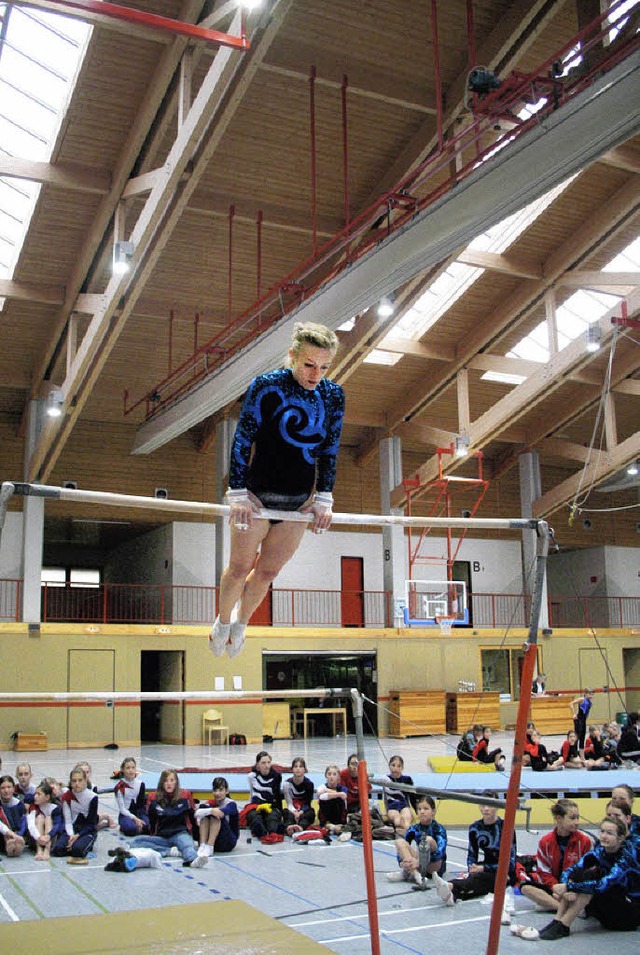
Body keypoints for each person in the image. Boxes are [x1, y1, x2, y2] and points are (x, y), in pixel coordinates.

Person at [209, 322, 345, 658]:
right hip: (256, 497)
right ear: (292, 356)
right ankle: (222, 621)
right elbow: (244, 437)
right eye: (309, 365)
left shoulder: (333, 396)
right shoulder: (267, 386)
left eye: (324, 367)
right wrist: (238, 492)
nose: (316, 374)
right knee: (240, 568)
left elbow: (329, 449)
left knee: (268, 572)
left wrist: (324, 498)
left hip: (298, 503)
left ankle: (241, 624)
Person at [532, 816, 640, 939]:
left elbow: (602, 885)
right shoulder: (599, 851)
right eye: (602, 831)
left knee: (591, 882)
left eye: (609, 833)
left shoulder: (626, 858)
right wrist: (566, 885)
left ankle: (564, 924)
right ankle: (557, 920)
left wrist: (569, 886)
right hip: (605, 908)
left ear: (621, 838)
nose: (603, 836)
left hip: (629, 912)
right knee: (580, 873)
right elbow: (572, 870)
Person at [432, 800, 517, 907]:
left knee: (482, 878)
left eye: (490, 805)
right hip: (485, 867)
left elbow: (511, 864)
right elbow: (472, 854)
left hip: (505, 872)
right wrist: (471, 867)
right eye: (483, 805)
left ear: (497, 807)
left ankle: (451, 885)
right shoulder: (475, 828)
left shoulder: (506, 827)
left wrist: (483, 868)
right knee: (477, 879)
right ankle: (452, 895)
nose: (486, 808)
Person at [515, 799, 592, 915]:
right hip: (555, 889)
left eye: (578, 818)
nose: (576, 822)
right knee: (525, 887)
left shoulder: (585, 841)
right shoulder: (545, 842)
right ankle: (563, 907)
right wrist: (555, 888)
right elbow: (544, 873)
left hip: (574, 888)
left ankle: (551, 904)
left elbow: (588, 872)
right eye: (572, 818)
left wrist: (569, 888)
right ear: (559, 819)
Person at [130, 769, 199, 866]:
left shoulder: (185, 795)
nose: (169, 784)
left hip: (180, 834)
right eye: (166, 781)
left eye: (171, 780)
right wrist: (153, 835)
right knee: (134, 842)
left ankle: (191, 860)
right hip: (162, 837)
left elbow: (192, 816)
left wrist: (196, 836)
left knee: (188, 845)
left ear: (176, 782)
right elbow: (152, 819)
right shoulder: (153, 797)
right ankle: (169, 851)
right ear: (162, 783)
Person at [387, 794, 447, 886]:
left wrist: (418, 862)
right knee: (399, 841)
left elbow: (440, 852)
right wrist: (402, 862)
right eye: (419, 809)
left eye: (426, 809)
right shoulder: (414, 828)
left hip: (434, 866)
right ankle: (414, 874)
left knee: (428, 840)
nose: (422, 812)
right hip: (418, 862)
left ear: (433, 811)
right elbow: (403, 848)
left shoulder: (439, 828)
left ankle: (407, 873)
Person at [51, 766, 99, 863]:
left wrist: (78, 835)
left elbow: (91, 823)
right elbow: (68, 821)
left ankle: (86, 842)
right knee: (57, 850)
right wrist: (71, 836)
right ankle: (74, 844)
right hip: (72, 828)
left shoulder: (93, 797)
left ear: (85, 780)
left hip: (86, 830)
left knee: (77, 850)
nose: (77, 784)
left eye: (80, 780)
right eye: (74, 781)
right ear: (71, 782)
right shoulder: (66, 796)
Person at [193, 776, 238, 862]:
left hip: (228, 842)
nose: (217, 793)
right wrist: (209, 810)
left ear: (227, 791)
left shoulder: (231, 804)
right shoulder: (211, 802)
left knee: (215, 815)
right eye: (215, 790)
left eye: (220, 790)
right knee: (206, 812)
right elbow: (196, 814)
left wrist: (210, 811)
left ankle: (209, 847)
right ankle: (203, 845)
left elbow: (219, 813)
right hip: (216, 839)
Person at [245, 751, 284, 841]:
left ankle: (274, 830)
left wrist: (280, 812)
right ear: (258, 765)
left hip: (270, 805)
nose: (266, 766)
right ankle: (260, 831)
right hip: (256, 806)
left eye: (268, 762)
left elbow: (277, 795)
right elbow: (252, 793)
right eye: (263, 763)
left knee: (272, 816)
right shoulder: (252, 776)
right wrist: (250, 807)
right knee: (254, 816)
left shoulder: (276, 776)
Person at [27, 779, 62, 861]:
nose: (35, 796)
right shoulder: (33, 807)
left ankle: (47, 850)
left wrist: (48, 836)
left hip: (51, 838)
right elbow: (30, 825)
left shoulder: (55, 808)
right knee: (39, 818)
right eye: (35, 793)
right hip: (36, 839)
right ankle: (39, 850)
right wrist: (38, 837)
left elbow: (57, 825)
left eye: (38, 794)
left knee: (48, 818)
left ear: (47, 797)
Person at [76, 760, 116, 830]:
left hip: (89, 816)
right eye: (82, 772)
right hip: (78, 815)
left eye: (87, 772)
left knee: (87, 829)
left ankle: (105, 817)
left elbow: (93, 810)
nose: (85, 775)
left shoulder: (93, 788)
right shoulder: (74, 786)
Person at [114, 756, 149, 836]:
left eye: (133, 768)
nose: (131, 770)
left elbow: (141, 805)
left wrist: (141, 818)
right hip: (126, 814)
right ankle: (125, 826)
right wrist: (135, 819)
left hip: (139, 813)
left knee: (148, 827)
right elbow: (122, 809)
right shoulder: (119, 787)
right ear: (123, 770)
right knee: (131, 829)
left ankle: (138, 827)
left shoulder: (140, 784)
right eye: (128, 768)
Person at [283, 757, 316, 834]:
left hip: (303, 810)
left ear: (304, 769)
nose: (298, 769)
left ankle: (300, 827)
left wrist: (299, 813)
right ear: (292, 769)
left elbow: (307, 804)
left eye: (300, 766)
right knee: (286, 813)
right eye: (295, 766)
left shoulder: (309, 784)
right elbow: (289, 803)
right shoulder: (286, 784)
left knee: (310, 813)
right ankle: (289, 827)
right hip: (292, 809)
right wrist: (295, 812)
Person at [383, 756, 415, 834]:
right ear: (389, 765)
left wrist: (415, 810)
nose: (395, 768)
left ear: (402, 767)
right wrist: (386, 811)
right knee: (397, 821)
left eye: (399, 766)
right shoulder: (385, 779)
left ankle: (407, 832)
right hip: (392, 807)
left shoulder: (407, 779)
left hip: (404, 805)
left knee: (406, 820)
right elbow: (385, 797)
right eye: (393, 765)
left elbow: (412, 796)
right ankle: (401, 831)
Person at [0, 774, 27, 856]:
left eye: (9, 787)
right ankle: (7, 845)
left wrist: (18, 834)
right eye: (3, 788)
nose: (6, 790)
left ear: (13, 788)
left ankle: (15, 844)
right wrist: (9, 834)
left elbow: (24, 821)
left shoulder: (19, 802)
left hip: (16, 832)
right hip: (4, 832)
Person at [317, 764, 348, 830]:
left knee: (339, 800)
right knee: (323, 800)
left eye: (334, 774)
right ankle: (326, 824)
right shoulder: (322, 787)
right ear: (326, 775)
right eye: (329, 774)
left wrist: (326, 791)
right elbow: (320, 796)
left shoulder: (343, 788)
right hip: (326, 815)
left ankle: (336, 825)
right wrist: (338, 794)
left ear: (338, 777)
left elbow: (344, 796)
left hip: (338, 816)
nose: (331, 777)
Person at [570, 688, 594, 754]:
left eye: (592, 694)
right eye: (590, 694)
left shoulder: (589, 702)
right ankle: (574, 753)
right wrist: (574, 714)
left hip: (583, 720)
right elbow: (571, 703)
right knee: (577, 737)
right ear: (585, 694)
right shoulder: (582, 699)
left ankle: (581, 753)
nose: (591, 696)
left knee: (582, 737)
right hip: (579, 720)